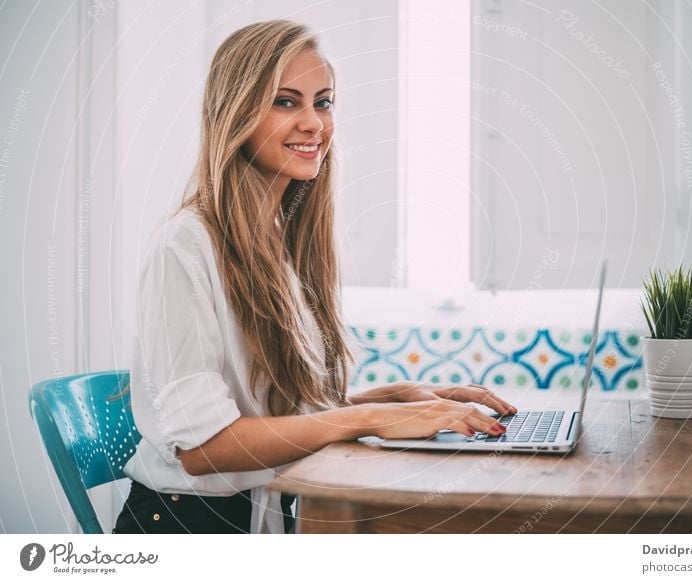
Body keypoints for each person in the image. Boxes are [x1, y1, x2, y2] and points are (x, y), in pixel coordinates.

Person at [113, 19, 515, 535]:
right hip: (190, 528)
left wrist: (390, 399)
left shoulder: (278, 240)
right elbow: (204, 448)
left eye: (322, 102)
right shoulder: (184, 246)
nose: (314, 124)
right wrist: (367, 420)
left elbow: (267, 414)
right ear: (234, 113)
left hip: (264, 515)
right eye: (286, 101)